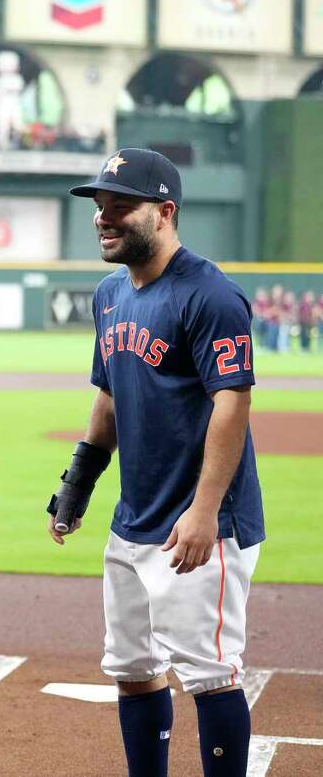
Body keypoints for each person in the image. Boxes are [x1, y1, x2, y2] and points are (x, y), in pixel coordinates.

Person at [48, 148, 264, 777]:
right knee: (133, 670)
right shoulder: (111, 293)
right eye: (100, 207)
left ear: (165, 212)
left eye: (122, 207)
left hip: (200, 525)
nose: (104, 219)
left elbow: (232, 406)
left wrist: (202, 513)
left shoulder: (211, 294)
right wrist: (78, 484)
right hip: (133, 520)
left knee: (210, 674)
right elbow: (108, 399)